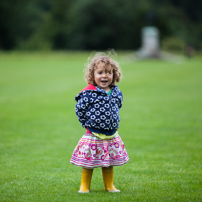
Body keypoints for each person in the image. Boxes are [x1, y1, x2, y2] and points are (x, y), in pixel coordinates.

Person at [70, 51, 129, 193]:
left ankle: (109, 186)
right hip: (93, 134)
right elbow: (80, 109)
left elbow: (118, 106)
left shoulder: (116, 92)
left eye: (109, 72)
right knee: (89, 162)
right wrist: (87, 123)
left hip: (111, 134)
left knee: (108, 162)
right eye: (100, 72)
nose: (104, 76)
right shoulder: (89, 93)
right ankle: (84, 186)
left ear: (114, 75)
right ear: (93, 75)